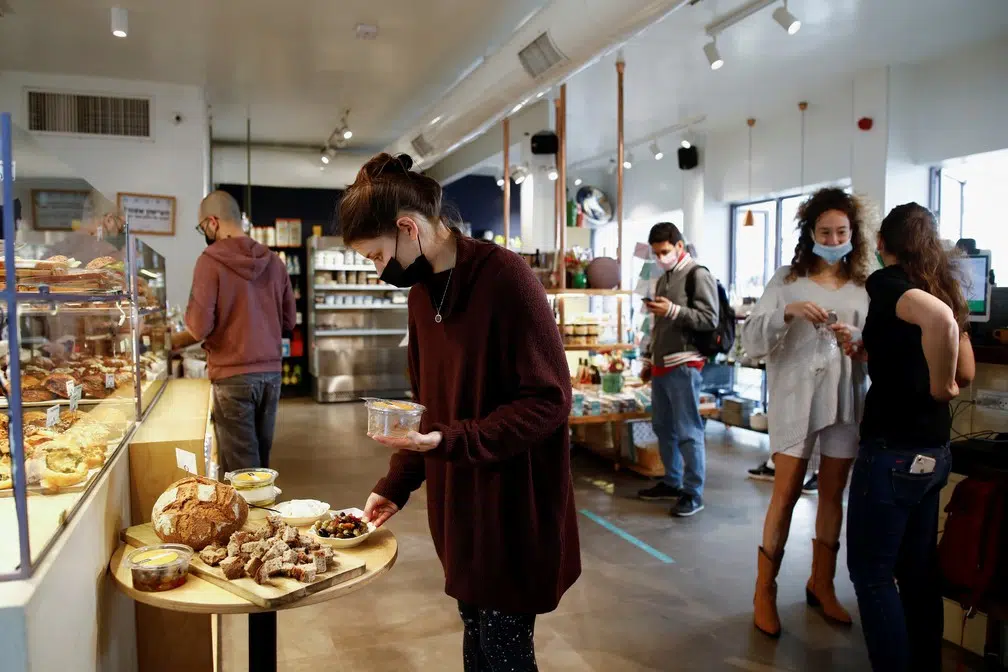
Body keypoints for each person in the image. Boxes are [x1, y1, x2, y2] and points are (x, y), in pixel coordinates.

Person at [340, 153, 581, 672]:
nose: (379, 271)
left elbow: (549, 399)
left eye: (377, 256)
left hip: (512, 508)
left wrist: (453, 442)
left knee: (504, 650)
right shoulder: (422, 296)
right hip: (460, 510)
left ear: (409, 228)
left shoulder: (505, 278)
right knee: (477, 638)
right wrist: (395, 484)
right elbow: (428, 404)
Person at [845, 203, 974, 672]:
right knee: (918, 572)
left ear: (883, 244)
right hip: (934, 453)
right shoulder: (941, 287)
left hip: (892, 452)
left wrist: (940, 388)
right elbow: (967, 367)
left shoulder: (887, 283)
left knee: (872, 574)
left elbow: (939, 326)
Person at [741, 188, 871, 637]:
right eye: (825, 231)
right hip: (796, 397)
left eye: (841, 231)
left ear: (853, 233)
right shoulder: (786, 279)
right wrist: (789, 312)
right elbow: (752, 339)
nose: (834, 239)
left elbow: (875, 347)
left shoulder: (863, 284)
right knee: (786, 491)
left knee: (833, 492)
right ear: (810, 232)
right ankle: (765, 590)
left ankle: (822, 582)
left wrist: (857, 339)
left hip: (846, 399)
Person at [172, 191, 295, 474]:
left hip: (232, 376)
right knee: (261, 464)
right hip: (271, 375)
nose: (204, 232)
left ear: (212, 222)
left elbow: (198, 326)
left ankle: (248, 517)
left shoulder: (210, 261)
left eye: (202, 227)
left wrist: (173, 340)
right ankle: (262, 516)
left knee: (241, 470)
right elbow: (289, 321)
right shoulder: (275, 262)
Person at [637, 222, 718, 517]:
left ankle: (693, 492)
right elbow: (658, 325)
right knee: (663, 426)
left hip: (685, 364)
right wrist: (649, 360)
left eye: (666, 252)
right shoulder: (664, 277)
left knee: (687, 430)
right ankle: (672, 481)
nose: (661, 257)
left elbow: (710, 318)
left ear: (680, 246)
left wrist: (673, 310)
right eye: (657, 253)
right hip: (662, 365)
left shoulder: (698, 275)